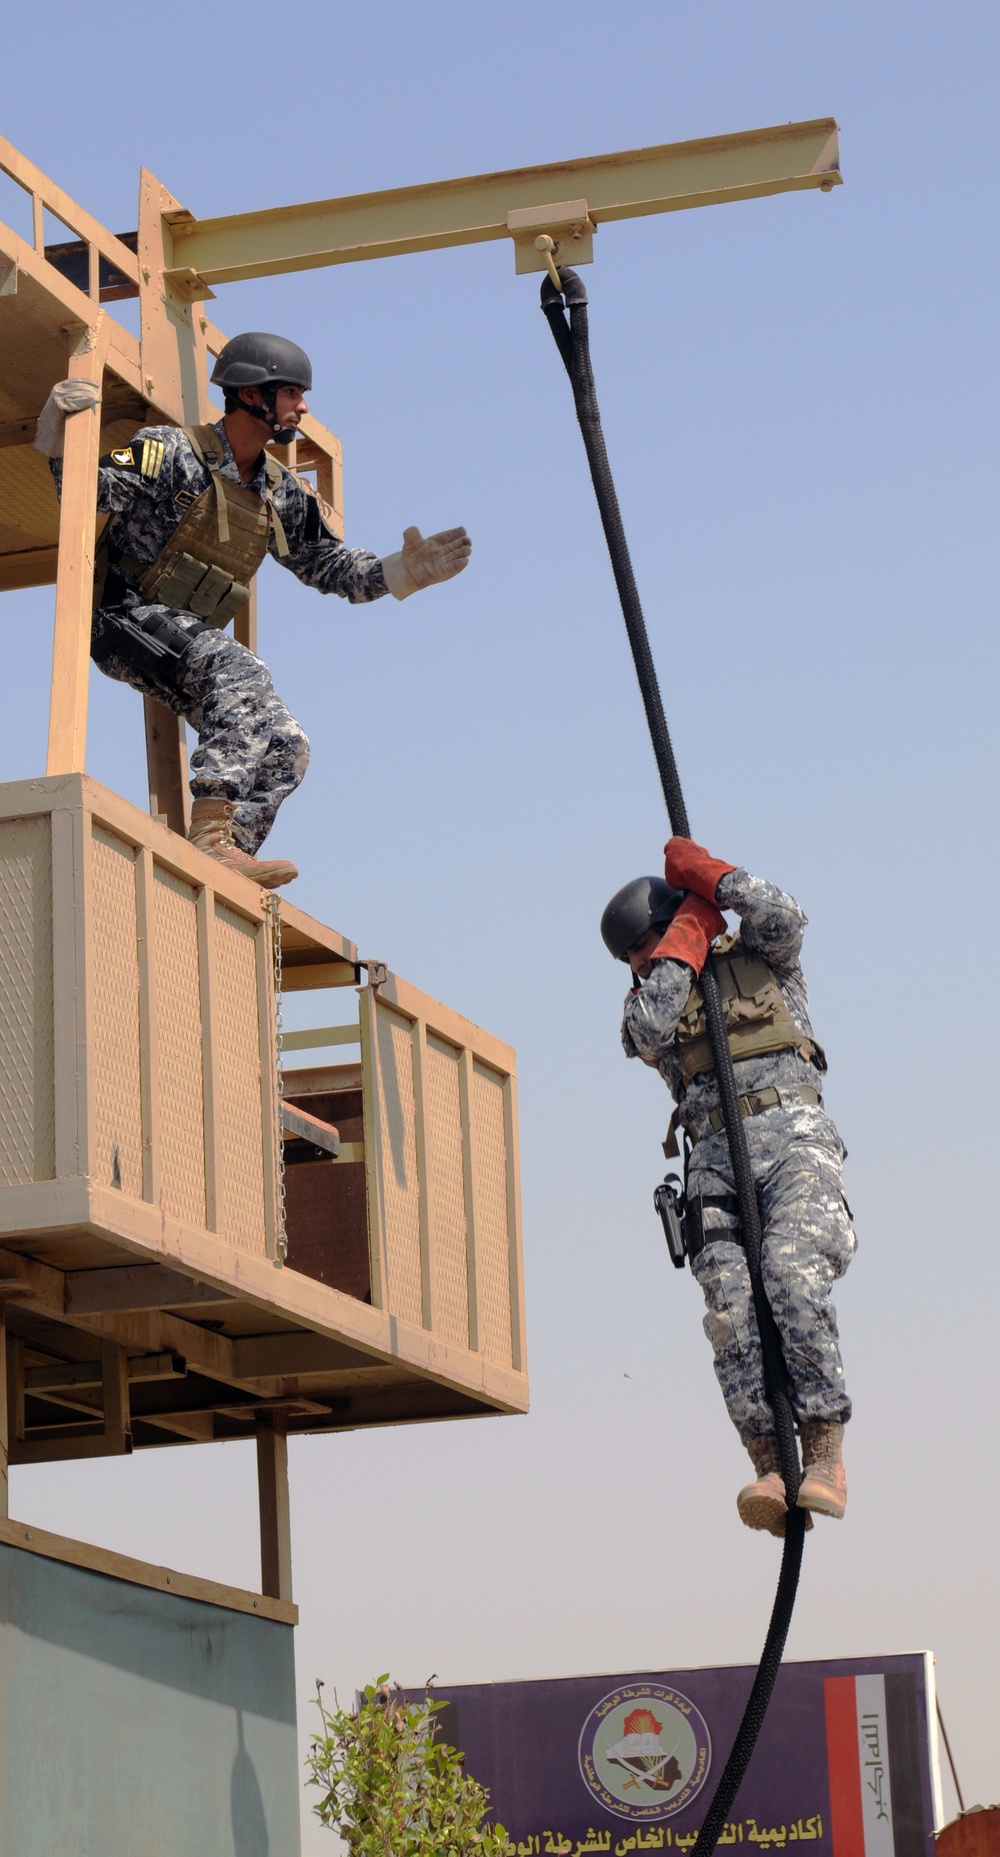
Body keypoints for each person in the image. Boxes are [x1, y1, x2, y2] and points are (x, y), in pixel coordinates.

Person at [36, 332, 471, 887]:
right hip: (123, 616)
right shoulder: (167, 450)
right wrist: (55, 438)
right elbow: (85, 491)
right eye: (291, 392)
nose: (303, 407)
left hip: (182, 637)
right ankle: (211, 835)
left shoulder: (278, 492)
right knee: (240, 672)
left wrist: (404, 571)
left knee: (287, 743)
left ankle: (229, 854)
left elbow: (330, 567)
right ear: (249, 395)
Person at [601, 837, 855, 1536]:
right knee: (733, 1315)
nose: (643, 958)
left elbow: (787, 917)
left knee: (791, 1276)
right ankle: (771, 1465)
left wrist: (720, 881)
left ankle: (825, 1449)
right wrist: (683, 935)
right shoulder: (653, 1000)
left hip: (793, 1143)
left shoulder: (763, 959)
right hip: (714, 1161)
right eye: (633, 953)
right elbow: (650, 1027)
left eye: (649, 939)